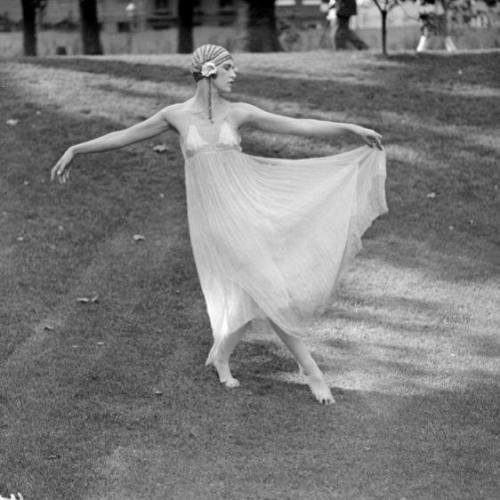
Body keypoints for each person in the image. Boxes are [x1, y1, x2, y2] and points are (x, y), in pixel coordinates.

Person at [51, 44, 386, 405]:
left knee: (257, 290)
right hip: (214, 222)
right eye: (229, 69)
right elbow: (124, 135)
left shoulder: (240, 112)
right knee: (265, 287)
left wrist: (348, 127)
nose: (235, 75)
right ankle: (310, 371)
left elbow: (297, 125)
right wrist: (76, 149)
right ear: (209, 72)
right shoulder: (175, 115)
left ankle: (225, 356)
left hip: (248, 211)